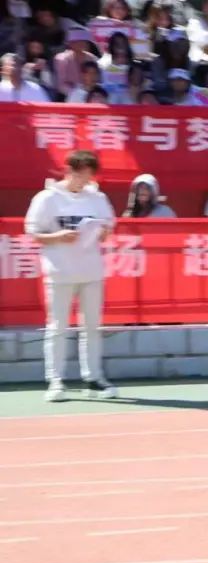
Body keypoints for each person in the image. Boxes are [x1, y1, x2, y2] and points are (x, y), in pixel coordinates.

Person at [25, 149, 117, 403]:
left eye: (88, 177)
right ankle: (55, 380)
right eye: (80, 176)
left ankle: (93, 377)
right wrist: (58, 236)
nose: (83, 182)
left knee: (92, 327)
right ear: (68, 171)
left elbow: (108, 227)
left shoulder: (97, 198)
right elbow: (33, 232)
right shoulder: (47, 198)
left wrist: (102, 232)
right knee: (58, 327)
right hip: (60, 271)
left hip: (91, 270)